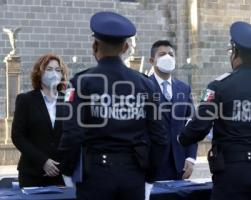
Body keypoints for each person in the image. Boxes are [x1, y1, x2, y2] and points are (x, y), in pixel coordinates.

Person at [58, 11, 167, 200]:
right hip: (133, 174)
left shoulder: (82, 82)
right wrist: (150, 175)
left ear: (94, 45)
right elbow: (160, 136)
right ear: (125, 47)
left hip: (95, 176)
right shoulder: (146, 84)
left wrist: (67, 169)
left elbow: (72, 133)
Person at [178, 21, 251, 200]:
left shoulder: (220, 86)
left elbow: (199, 127)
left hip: (233, 171)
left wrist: (182, 138)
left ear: (235, 52)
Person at [11, 53, 68, 187]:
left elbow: (72, 136)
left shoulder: (68, 101)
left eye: (58, 70)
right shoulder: (26, 100)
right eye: (49, 69)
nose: (54, 73)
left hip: (61, 174)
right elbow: (17, 136)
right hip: (32, 173)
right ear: (39, 73)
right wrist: (43, 161)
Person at [149, 40, 197, 180]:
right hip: (152, 163)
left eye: (171, 54)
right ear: (152, 60)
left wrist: (190, 157)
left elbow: (191, 123)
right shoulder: (143, 86)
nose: (167, 58)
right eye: (162, 54)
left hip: (179, 163)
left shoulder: (183, 88)